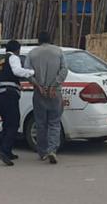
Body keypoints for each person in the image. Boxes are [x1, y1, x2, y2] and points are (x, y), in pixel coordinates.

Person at [25, 31, 68, 164]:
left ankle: (42, 152)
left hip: (39, 93)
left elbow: (27, 73)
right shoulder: (58, 51)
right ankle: (52, 150)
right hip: (55, 93)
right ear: (51, 40)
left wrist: (38, 86)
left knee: (40, 123)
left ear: (39, 40)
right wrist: (54, 85)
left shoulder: (32, 53)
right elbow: (64, 70)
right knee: (54, 122)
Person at [0, 40, 35, 166]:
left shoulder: (1, 60)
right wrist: (32, 72)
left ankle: (8, 150)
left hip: (0, 94)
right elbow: (17, 71)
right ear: (17, 49)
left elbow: (6, 76)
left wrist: (17, 85)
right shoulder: (13, 57)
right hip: (8, 94)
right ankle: (3, 151)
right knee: (13, 123)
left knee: (6, 123)